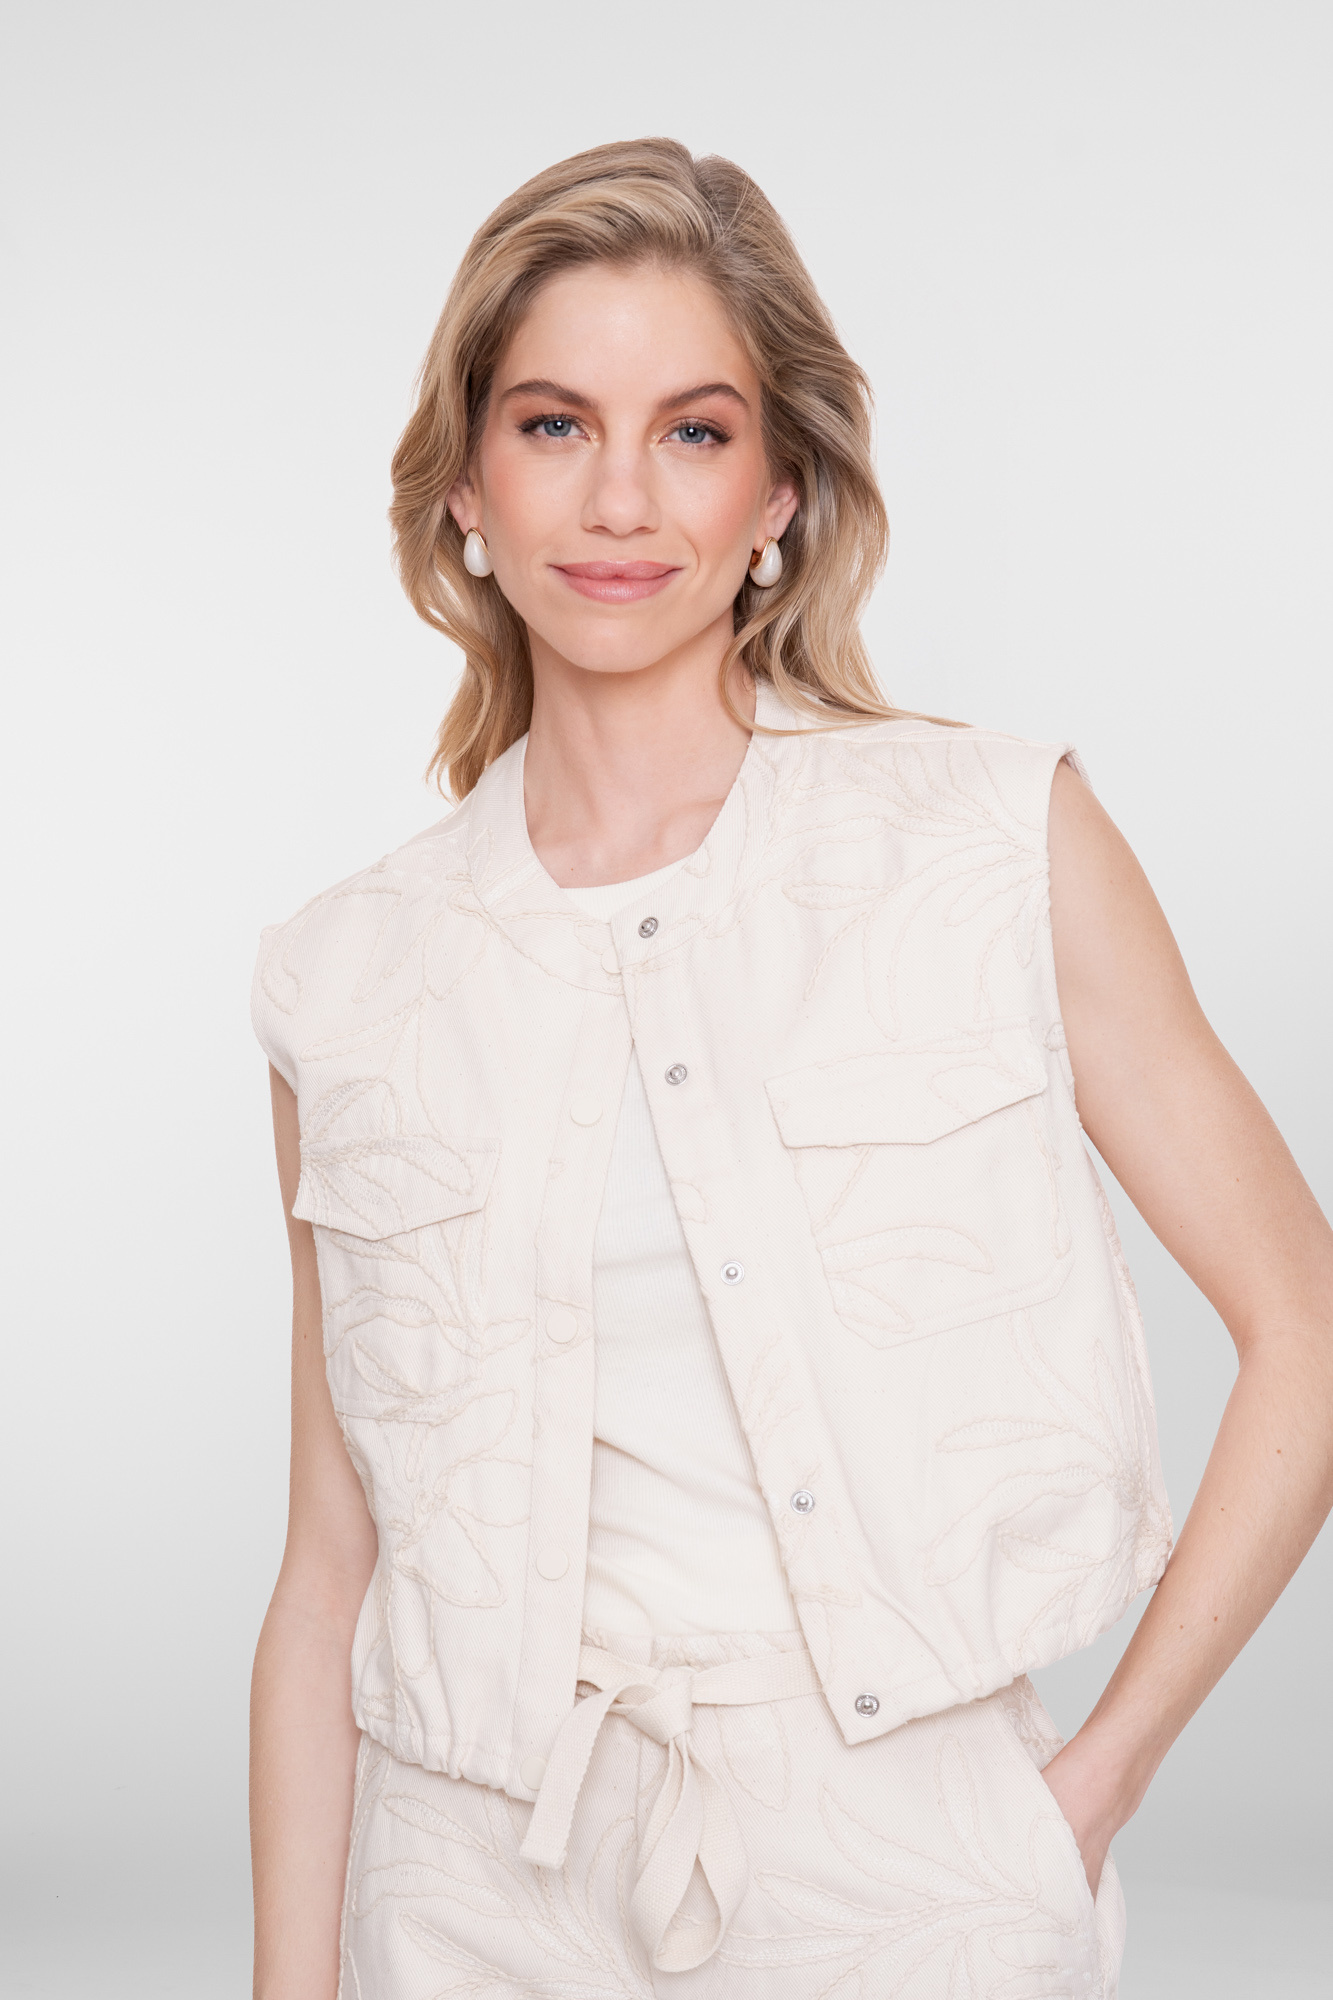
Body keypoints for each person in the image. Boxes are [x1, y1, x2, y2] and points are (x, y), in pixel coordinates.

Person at [248, 139, 1333, 2000]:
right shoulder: (346, 976)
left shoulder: (992, 842)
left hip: (907, 1877)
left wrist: (1082, 1795)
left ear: (779, 494)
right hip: (467, 1890)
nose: (618, 497)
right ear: (465, 491)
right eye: (551, 424)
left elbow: (1303, 1320)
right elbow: (328, 1565)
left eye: (691, 431)